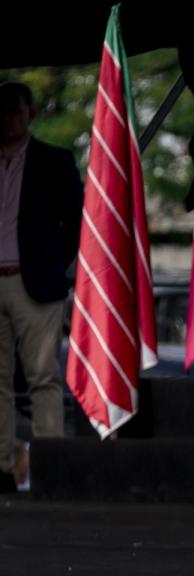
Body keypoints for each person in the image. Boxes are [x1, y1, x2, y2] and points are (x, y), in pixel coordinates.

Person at [0, 81, 83, 492]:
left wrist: (55, 267)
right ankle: (2, 469)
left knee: (42, 378)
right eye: (2, 111)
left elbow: (78, 223)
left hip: (35, 284)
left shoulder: (54, 161)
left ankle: (52, 465)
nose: (7, 118)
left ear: (30, 114)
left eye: (14, 110)